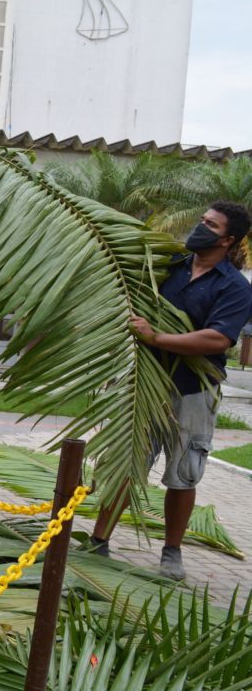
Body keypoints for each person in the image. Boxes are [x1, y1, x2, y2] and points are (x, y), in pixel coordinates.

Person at [87, 200, 252, 579]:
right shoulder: (169, 266)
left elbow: (217, 339)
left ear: (227, 239)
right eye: (201, 220)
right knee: (126, 465)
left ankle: (172, 552)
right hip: (146, 382)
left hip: (194, 392)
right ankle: (99, 540)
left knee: (184, 473)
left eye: (209, 224)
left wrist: (156, 336)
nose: (199, 226)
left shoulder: (235, 288)